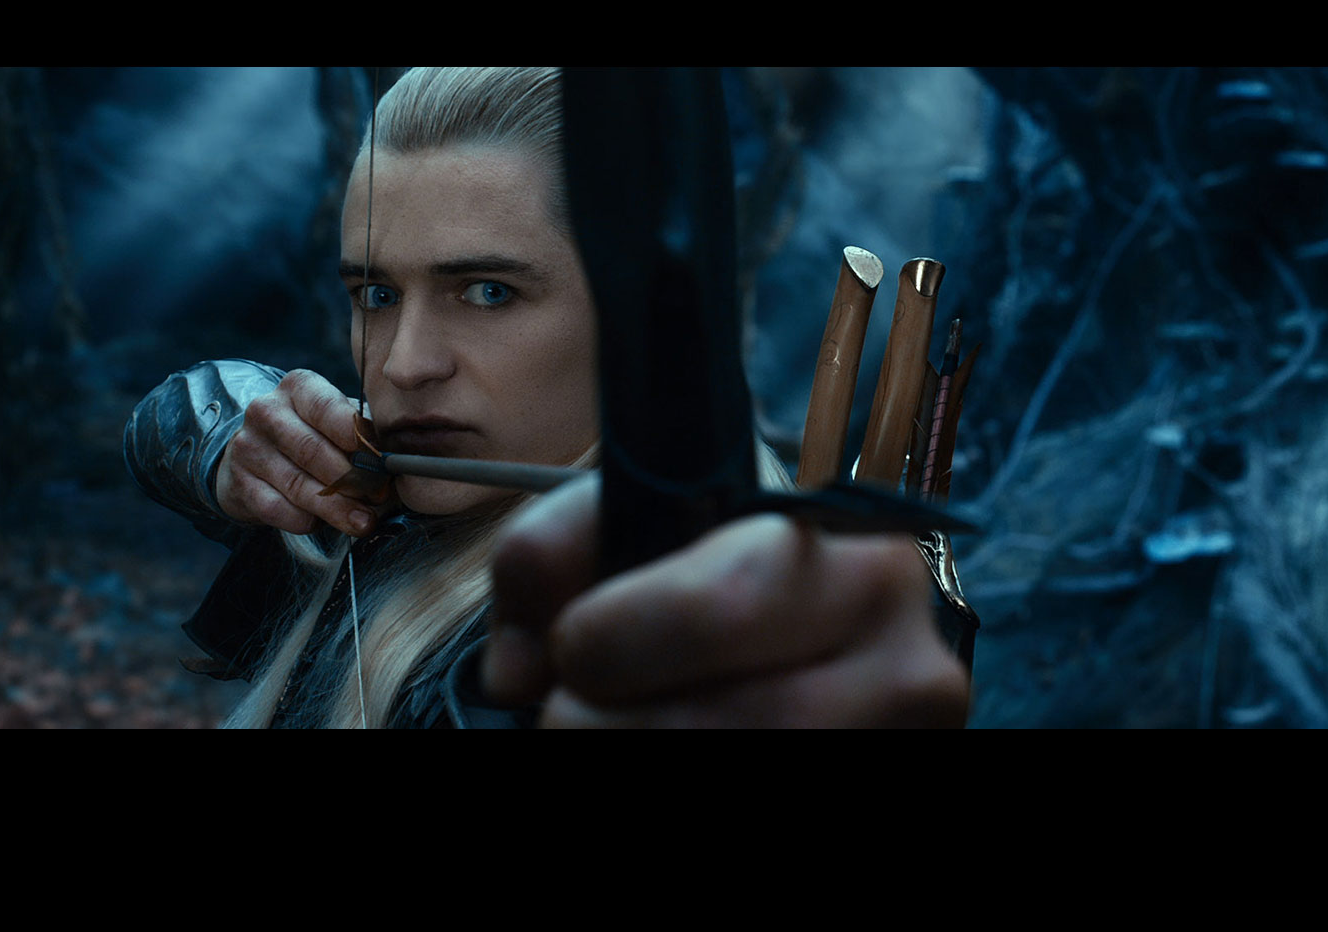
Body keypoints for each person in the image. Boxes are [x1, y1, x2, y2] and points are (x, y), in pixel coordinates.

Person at [124, 66, 972, 727]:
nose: (405, 365)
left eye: (488, 291)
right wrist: (236, 436)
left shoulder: (640, 610)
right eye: (376, 294)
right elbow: (160, 427)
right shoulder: (365, 495)